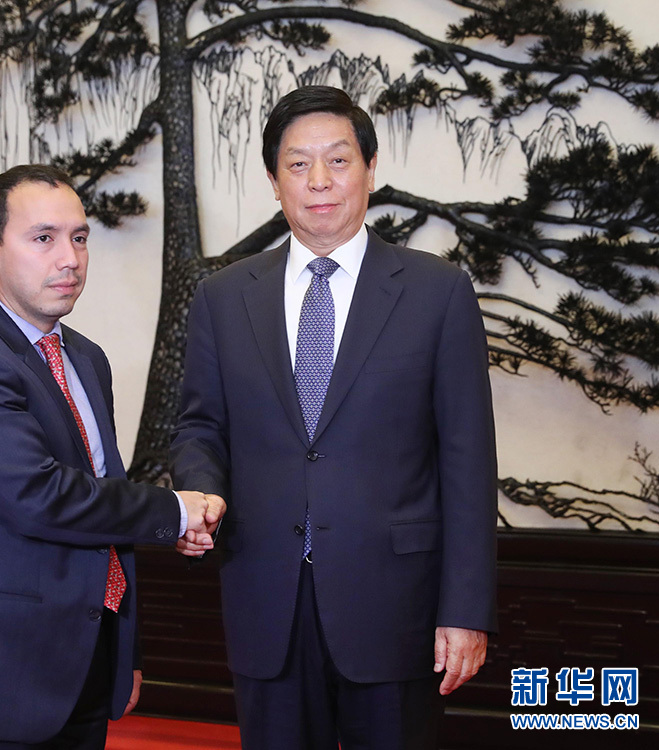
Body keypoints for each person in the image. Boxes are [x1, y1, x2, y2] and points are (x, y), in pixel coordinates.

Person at [170, 86, 497, 749]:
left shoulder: (438, 293)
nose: (318, 180)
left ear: (370, 169)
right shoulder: (223, 297)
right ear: (274, 181)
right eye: (297, 164)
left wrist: (466, 610)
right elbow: (200, 427)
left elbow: (468, 461)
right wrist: (199, 490)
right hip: (266, 601)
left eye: (338, 160)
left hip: (397, 607)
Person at [0, 164, 223, 750]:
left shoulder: (86, 358)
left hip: (80, 667)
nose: (69, 259)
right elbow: (40, 497)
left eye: (79, 237)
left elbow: (100, 500)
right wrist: (175, 512)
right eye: (43, 238)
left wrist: (124, 651)